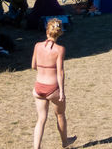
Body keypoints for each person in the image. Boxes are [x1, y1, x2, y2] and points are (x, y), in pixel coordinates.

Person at [32, 17, 73, 149]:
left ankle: (36, 147)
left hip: (38, 87)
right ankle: (65, 142)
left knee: (41, 119)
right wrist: (62, 92)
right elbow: (60, 72)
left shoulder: (37, 46)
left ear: (47, 31)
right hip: (53, 88)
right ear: (60, 33)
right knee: (60, 115)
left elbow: (33, 66)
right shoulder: (59, 49)